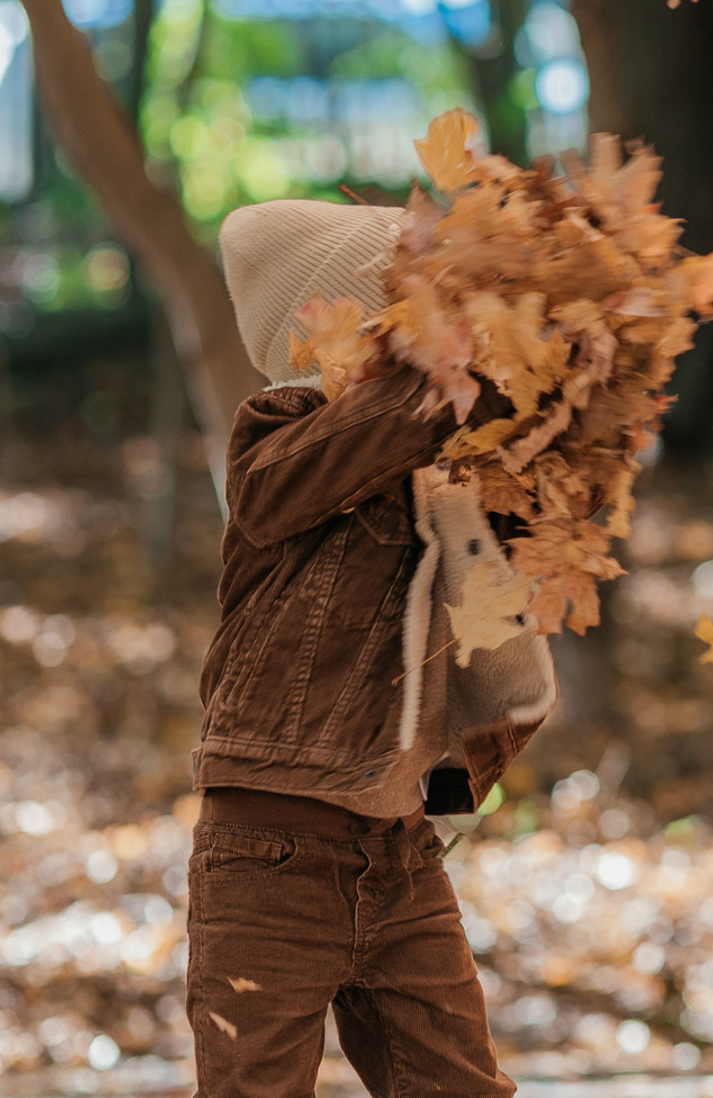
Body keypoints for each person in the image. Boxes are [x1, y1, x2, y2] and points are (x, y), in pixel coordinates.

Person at [186, 199, 556, 1097]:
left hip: (397, 858)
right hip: (268, 857)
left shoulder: (444, 475)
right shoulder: (278, 437)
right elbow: (300, 479)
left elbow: (473, 647)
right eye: (411, 311)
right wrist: (446, 377)